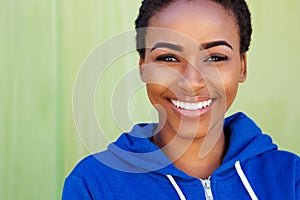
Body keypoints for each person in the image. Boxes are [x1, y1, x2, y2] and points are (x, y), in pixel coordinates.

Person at [62, 0, 300, 199]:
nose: (191, 81)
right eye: (168, 58)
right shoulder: (93, 185)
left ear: (242, 66)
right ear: (143, 67)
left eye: (215, 57)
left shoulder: (290, 178)